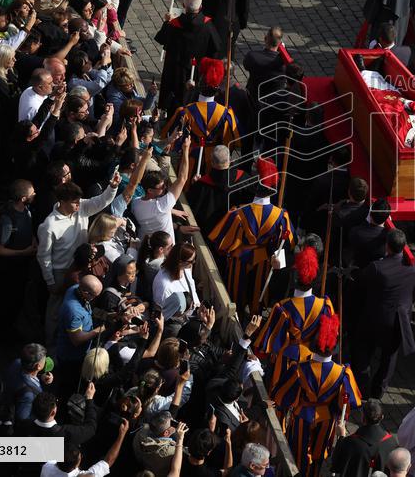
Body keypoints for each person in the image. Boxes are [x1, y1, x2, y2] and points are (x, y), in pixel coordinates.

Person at [36, 174, 120, 341]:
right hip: (61, 272)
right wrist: (50, 281)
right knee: (55, 309)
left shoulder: (81, 207)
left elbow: (101, 201)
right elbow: (43, 256)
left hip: (82, 267)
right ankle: (51, 342)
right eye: (75, 202)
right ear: (63, 201)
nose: (78, 204)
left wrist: (112, 187)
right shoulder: (49, 225)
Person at [278, 313, 363, 477]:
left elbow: (284, 395)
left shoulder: (300, 368)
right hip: (325, 418)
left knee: (297, 453)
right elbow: (348, 401)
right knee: (317, 458)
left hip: (302, 415)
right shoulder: (343, 373)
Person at [210, 157, 295, 314]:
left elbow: (222, 244)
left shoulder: (238, 212)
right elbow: (286, 245)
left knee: (235, 300)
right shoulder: (282, 216)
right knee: (257, 303)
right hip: (264, 262)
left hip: (239, 261)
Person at [254, 246, 335, 398]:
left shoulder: (282, 308)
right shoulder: (325, 305)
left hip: (286, 359)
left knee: (280, 394)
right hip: (311, 361)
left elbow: (268, 343)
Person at [353, 228, 415, 399]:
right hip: (399, 320)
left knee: (364, 352)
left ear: (387, 247)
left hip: (375, 318)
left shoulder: (378, 267)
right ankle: (379, 390)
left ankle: (362, 387)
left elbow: (361, 281)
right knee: (389, 357)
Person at [130, 136, 190, 242]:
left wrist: (171, 210)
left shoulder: (135, 203)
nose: (165, 188)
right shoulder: (162, 205)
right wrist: (186, 150)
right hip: (166, 252)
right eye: (161, 187)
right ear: (150, 190)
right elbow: (182, 178)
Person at [330, 399, 399, 477]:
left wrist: (341, 437)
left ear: (363, 418)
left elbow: (336, 465)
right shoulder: (392, 443)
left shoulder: (349, 443)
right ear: (382, 417)